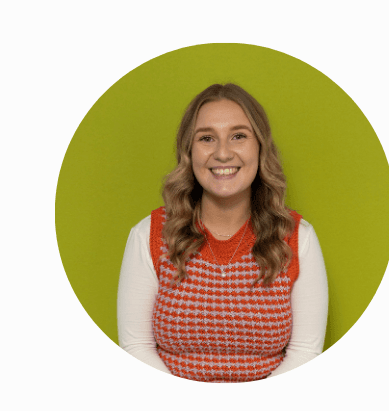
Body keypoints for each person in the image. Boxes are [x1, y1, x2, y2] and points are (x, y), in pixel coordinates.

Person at [117, 83, 328, 382]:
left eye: (238, 136)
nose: (223, 153)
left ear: (260, 147)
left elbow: (305, 352)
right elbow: (136, 346)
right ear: (189, 151)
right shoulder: (150, 233)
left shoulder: (297, 236)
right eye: (207, 138)